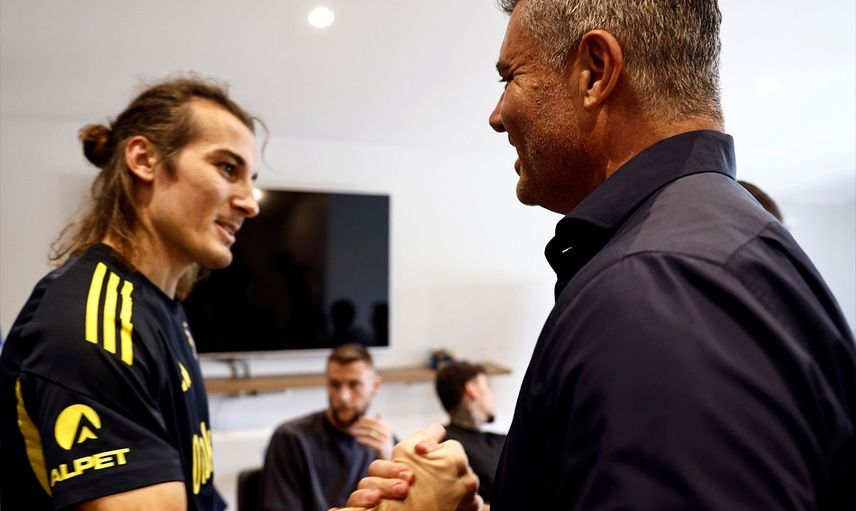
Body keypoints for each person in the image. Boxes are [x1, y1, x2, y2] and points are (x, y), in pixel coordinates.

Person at [340, 0, 856, 509]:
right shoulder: (717, 242)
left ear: (595, 71)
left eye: (511, 78)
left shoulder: (658, 285)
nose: (497, 116)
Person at [0, 77, 261, 510]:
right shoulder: (93, 325)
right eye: (227, 169)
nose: (251, 203)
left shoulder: (162, 307)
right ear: (144, 160)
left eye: (250, 179)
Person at [260, 343, 396, 511]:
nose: (343, 397)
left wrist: (389, 462)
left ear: (375, 386)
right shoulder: (290, 439)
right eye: (335, 385)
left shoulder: (387, 444)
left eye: (354, 385)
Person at [434, 361, 505, 504]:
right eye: (487, 387)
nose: (492, 396)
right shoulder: (446, 445)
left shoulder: (501, 440)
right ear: (472, 390)